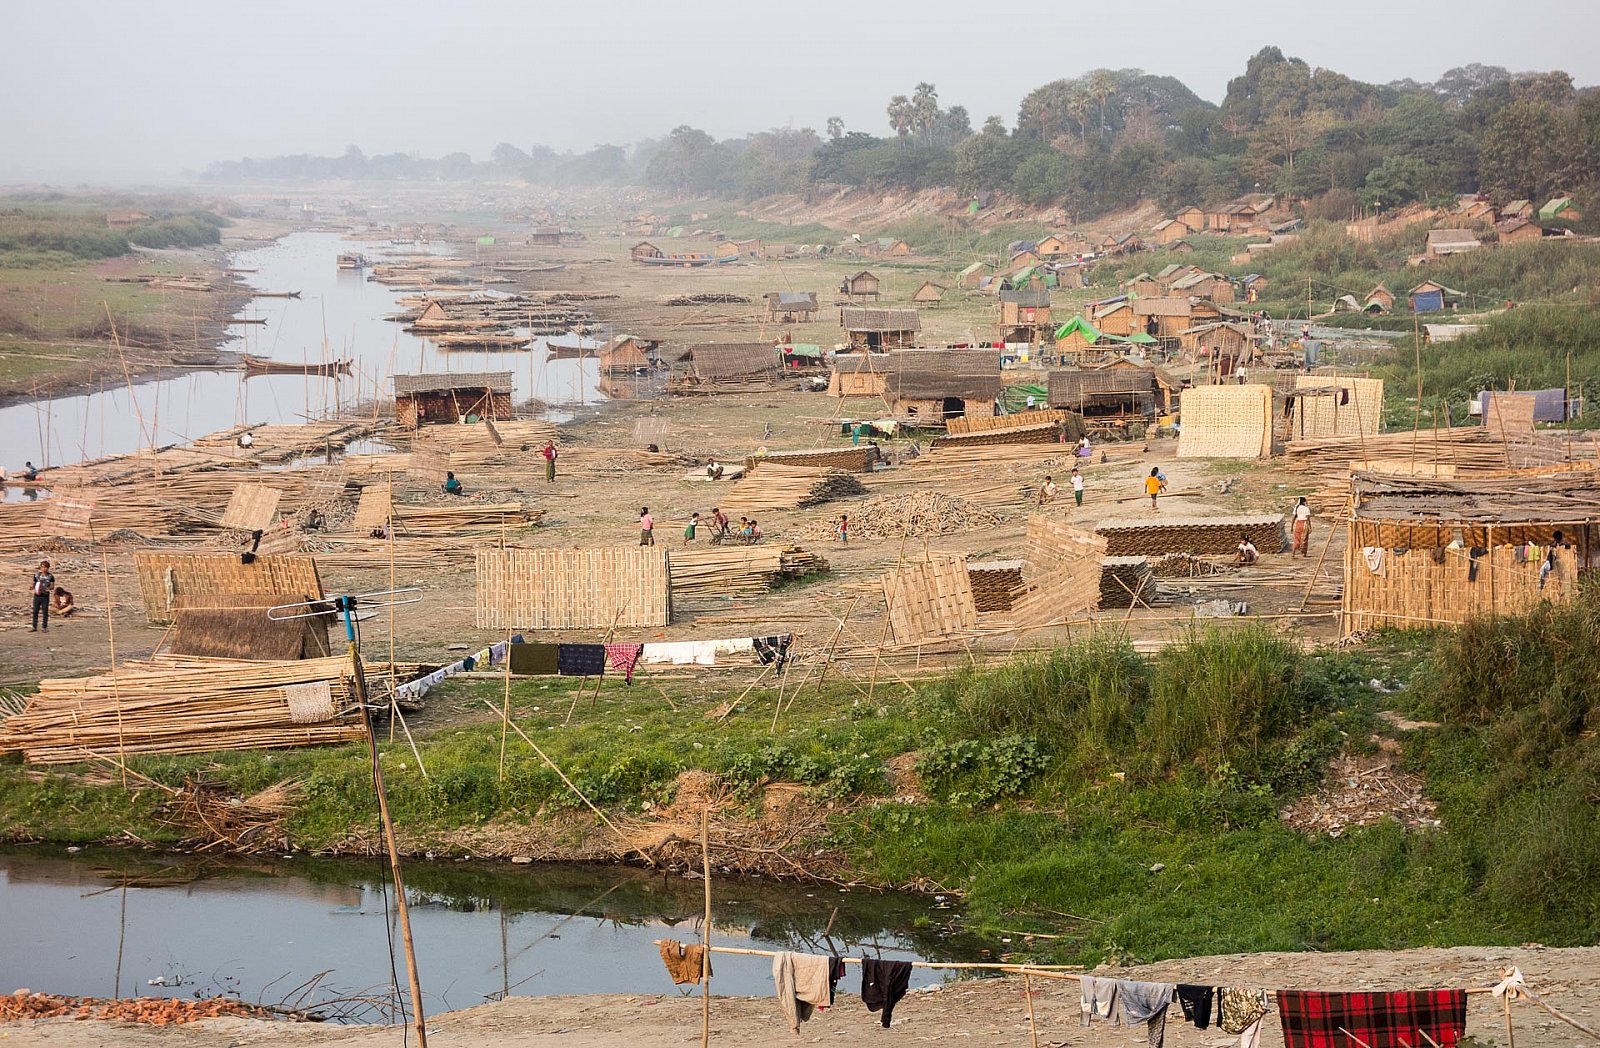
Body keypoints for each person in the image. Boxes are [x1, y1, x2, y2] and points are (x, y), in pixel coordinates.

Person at [30, 560, 54, 632]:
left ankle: (44, 627)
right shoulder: (37, 575)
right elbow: (33, 583)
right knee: (35, 611)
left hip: (45, 596)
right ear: (40, 567)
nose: (44, 569)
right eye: (42, 567)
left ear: (48, 568)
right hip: (37, 595)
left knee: (45, 611)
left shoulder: (50, 576)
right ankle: (34, 626)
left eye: (45, 567)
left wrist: (47, 588)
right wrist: (32, 587)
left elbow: (52, 586)